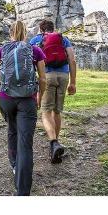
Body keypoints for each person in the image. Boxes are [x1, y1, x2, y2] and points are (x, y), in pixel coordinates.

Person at [0, 20, 46, 196]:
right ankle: (22, 192)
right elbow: (43, 79)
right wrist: (39, 97)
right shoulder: (35, 50)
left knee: (13, 129)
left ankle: (14, 165)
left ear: (10, 33)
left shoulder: (1, 50)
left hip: (5, 99)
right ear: (25, 33)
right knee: (25, 143)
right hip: (27, 100)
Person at [29, 20, 77, 164]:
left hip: (47, 77)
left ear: (40, 29)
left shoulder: (36, 40)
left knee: (45, 111)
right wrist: (73, 82)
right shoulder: (63, 39)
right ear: (53, 29)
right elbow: (72, 60)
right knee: (57, 111)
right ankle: (55, 146)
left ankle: (54, 142)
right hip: (63, 76)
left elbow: (30, 62)